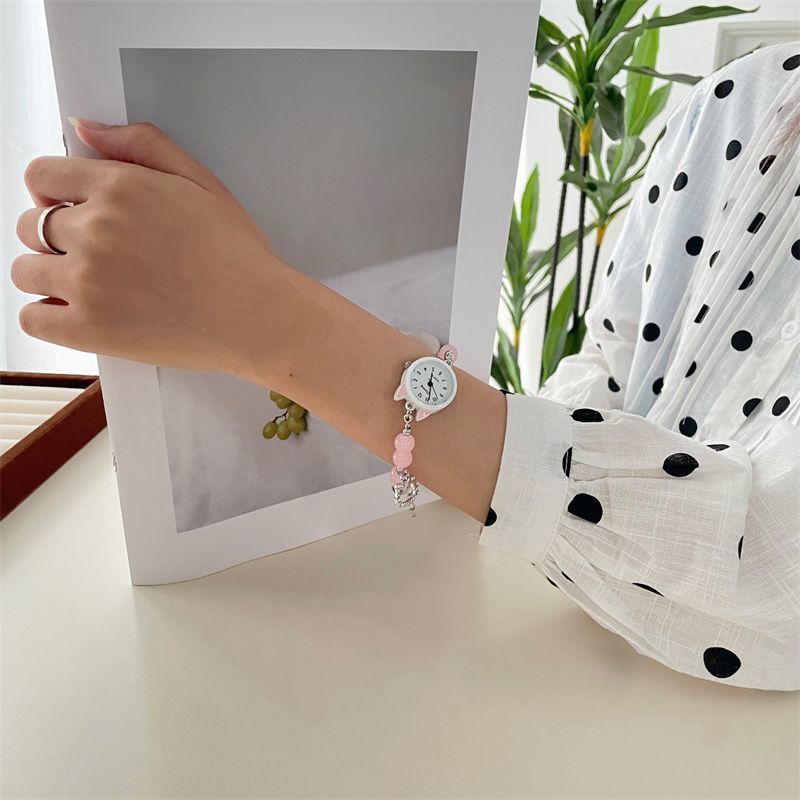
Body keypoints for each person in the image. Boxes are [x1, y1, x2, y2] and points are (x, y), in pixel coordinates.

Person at [12, 43, 798, 690]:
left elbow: (775, 572)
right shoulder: (735, 98)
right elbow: (609, 365)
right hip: (525, 640)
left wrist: (258, 314)